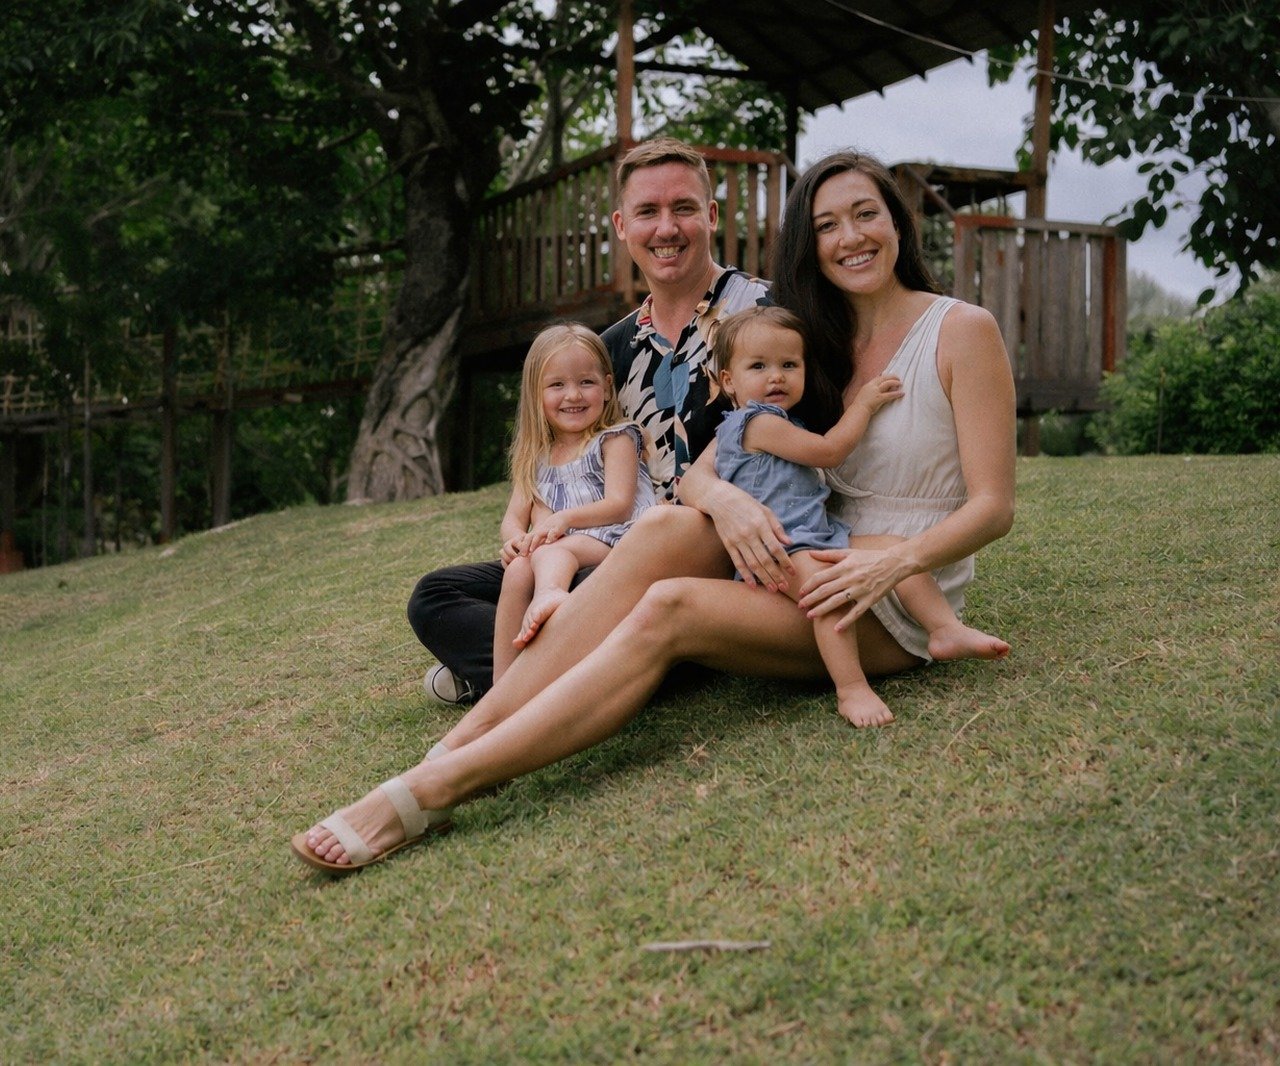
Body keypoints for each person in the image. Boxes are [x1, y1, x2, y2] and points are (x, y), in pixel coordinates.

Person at [292, 148, 1016, 875]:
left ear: (899, 222)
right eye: (828, 224)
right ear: (810, 242)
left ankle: (437, 784)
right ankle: (468, 741)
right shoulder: (813, 337)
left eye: (866, 215)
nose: (850, 237)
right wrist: (725, 501)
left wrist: (891, 562)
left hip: (886, 587)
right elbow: (716, 466)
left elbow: (993, 507)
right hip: (795, 551)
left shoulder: (958, 328)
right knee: (661, 527)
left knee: (665, 605)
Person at [409, 137, 768, 704]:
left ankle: (531, 675)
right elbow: (569, 464)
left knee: (584, 588)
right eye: (648, 212)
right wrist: (539, 534)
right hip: (609, 556)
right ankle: (620, 665)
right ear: (622, 226)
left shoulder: (765, 317)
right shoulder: (610, 352)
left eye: (684, 208)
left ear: (712, 215)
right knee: (439, 596)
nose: (666, 228)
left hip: (714, 558)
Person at [710, 304, 1009, 727]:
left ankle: (944, 628)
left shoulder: (780, 419)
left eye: (789, 364)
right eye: (758, 366)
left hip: (816, 535)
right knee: (829, 595)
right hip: (782, 549)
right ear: (729, 382)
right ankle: (851, 688)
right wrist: (864, 405)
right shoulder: (756, 424)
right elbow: (829, 451)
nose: (776, 375)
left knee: (894, 549)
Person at [493, 323, 655, 683]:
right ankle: (501, 685)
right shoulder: (535, 457)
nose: (573, 395)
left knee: (552, 553)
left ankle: (550, 594)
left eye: (586, 382)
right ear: (536, 393)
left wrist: (564, 520)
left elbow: (620, 504)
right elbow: (512, 519)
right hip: (567, 547)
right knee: (519, 569)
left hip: (623, 540)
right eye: (557, 385)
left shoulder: (616, 439)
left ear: (607, 386)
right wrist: (516, 540)